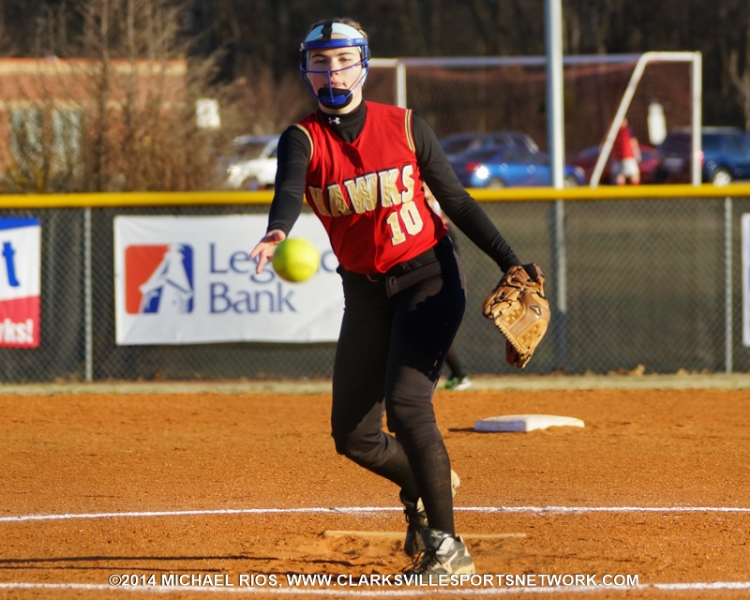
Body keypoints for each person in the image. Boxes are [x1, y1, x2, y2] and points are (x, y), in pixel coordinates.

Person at [250, 17, 533, 575]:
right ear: (307, 70)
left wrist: (510, 261)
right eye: (320, 61)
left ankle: (447, 548)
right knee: (353, 436)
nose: (332, 72)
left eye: (343, 59)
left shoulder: (404, 126)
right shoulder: (302, 138)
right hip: (365, 293)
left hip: (430, 276)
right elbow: (288, 188)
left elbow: (457, 201)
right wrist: (278, 229)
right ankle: (426, 483)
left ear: (363, 64)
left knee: (407, 406)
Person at [611, 117, 641, 185]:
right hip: (627, 156)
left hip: (619, 157)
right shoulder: (626, 130)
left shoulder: (614, 131)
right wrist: (636, 152)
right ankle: (634, 188)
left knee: (620, 174)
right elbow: (633, 141)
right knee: (633, 173)